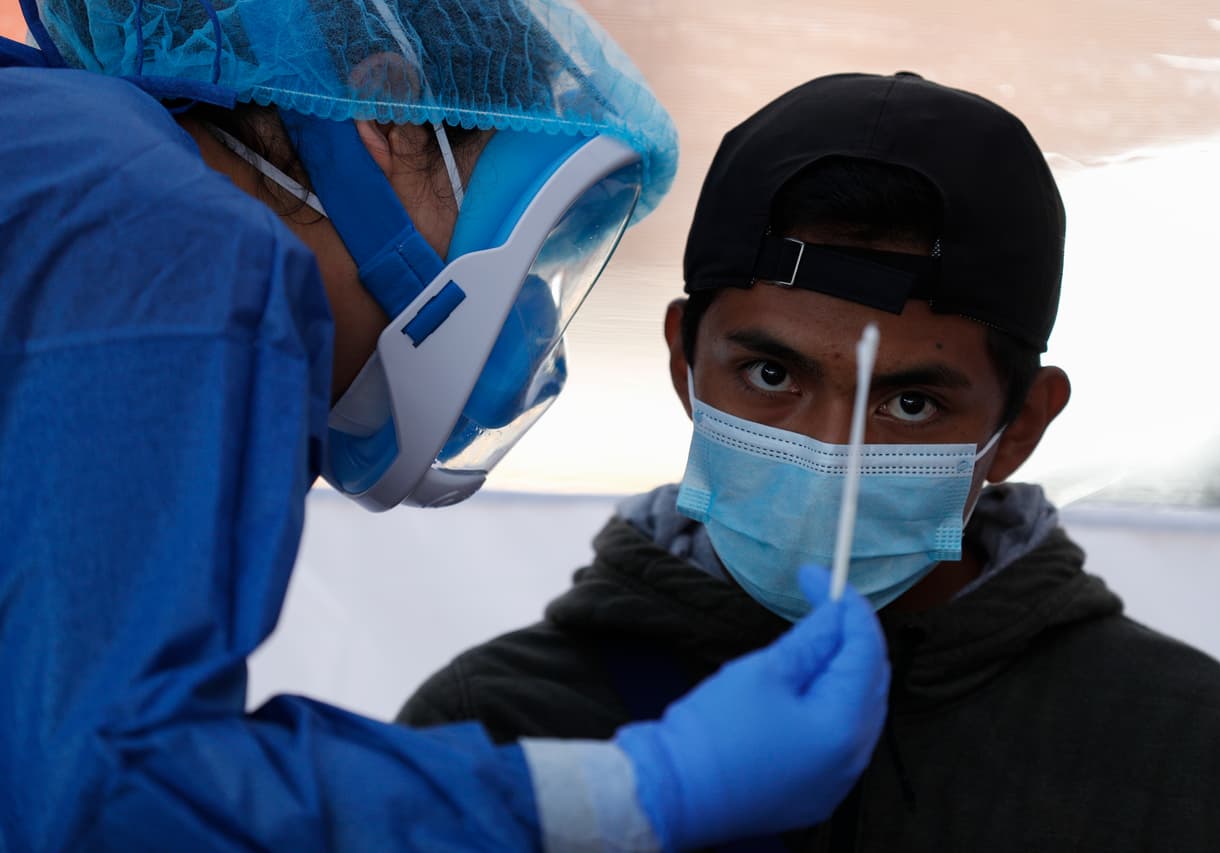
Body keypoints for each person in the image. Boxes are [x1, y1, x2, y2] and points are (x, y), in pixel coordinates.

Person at [0, 4, 892, 850]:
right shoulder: (171, 241)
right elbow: (107, 801)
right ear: (383, 114)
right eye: (529, 237)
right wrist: (643, 789)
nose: (523, 329)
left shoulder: (60, 167)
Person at [399, 72, 1220, 851]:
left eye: (910, 402)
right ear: (684, 364)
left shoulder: (1196, 762)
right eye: (771, 373)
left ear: (1020, 426)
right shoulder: (499, 729)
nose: (830, 451)